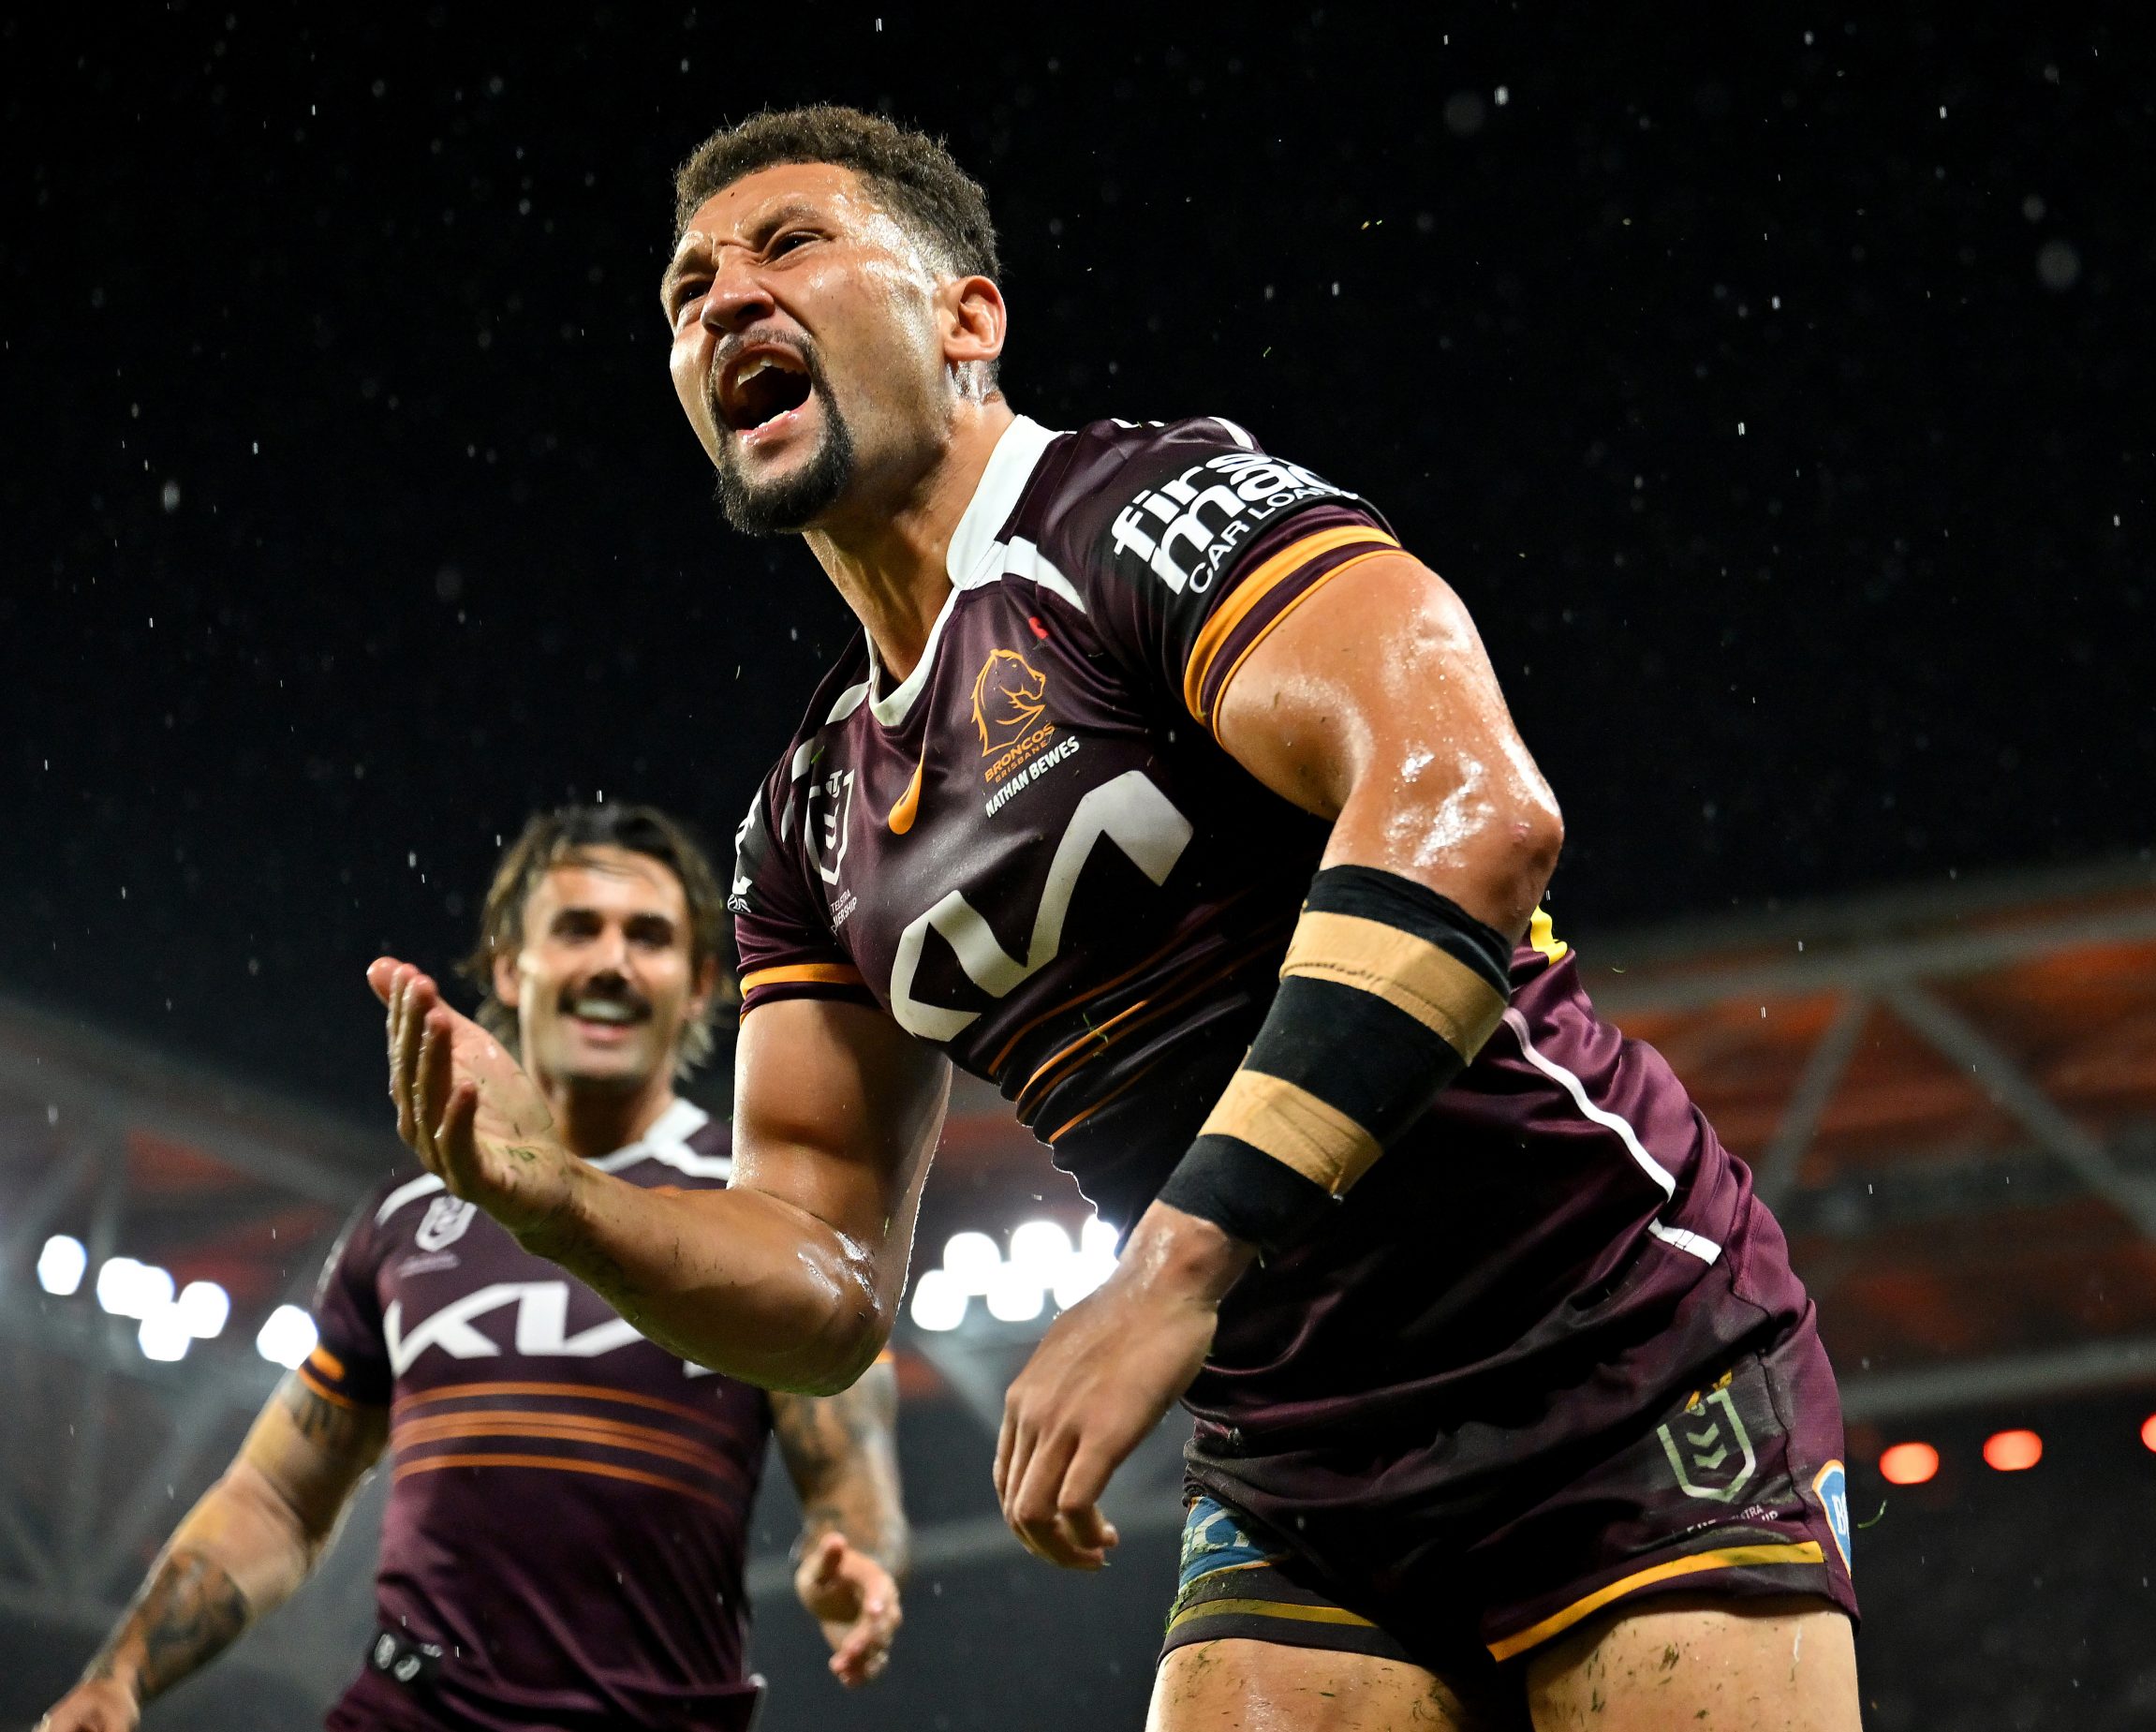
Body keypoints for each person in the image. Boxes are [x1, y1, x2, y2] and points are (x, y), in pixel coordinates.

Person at [368, 107, 1861, 1730]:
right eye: (685, 288)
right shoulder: (802, 819)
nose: (723, 299)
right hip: (1298, 1453)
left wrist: (1173, 1269)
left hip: (1611, 1348)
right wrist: (567, 1203)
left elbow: (1473, 808)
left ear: (969, 316)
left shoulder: (1147, 514)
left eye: (790, 244)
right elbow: (820, 1269)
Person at [45, 804, 907, 1732]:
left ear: (702, 983)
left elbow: (853, 1473)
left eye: (648, 937)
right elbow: (280, 1495)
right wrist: (121, 1673)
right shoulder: (406, 1221)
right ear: (509, 966)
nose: (611, 962)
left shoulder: (759, 1221)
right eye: (577, 928)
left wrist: (853, 1553)